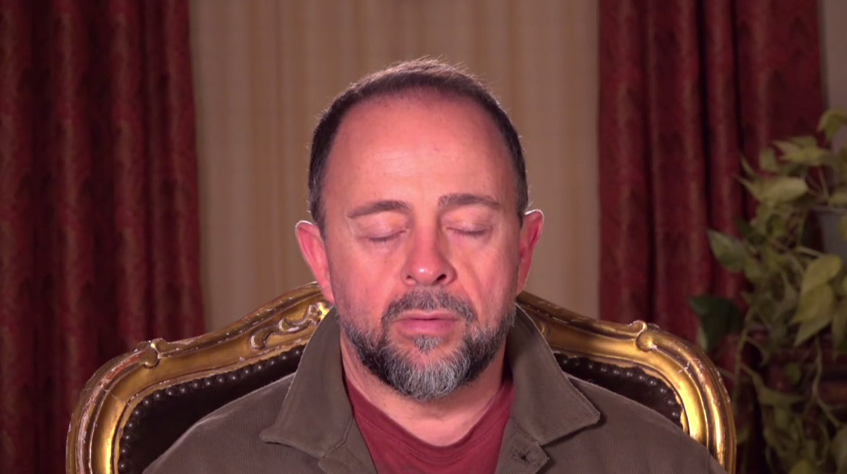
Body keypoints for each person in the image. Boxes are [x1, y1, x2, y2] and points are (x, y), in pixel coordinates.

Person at [145, 59, 726, 473]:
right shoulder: (200, 465)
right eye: (383, 231)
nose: (426, 267)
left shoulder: (661, 463)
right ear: (320, 260)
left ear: (523, 251)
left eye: (468, 228)